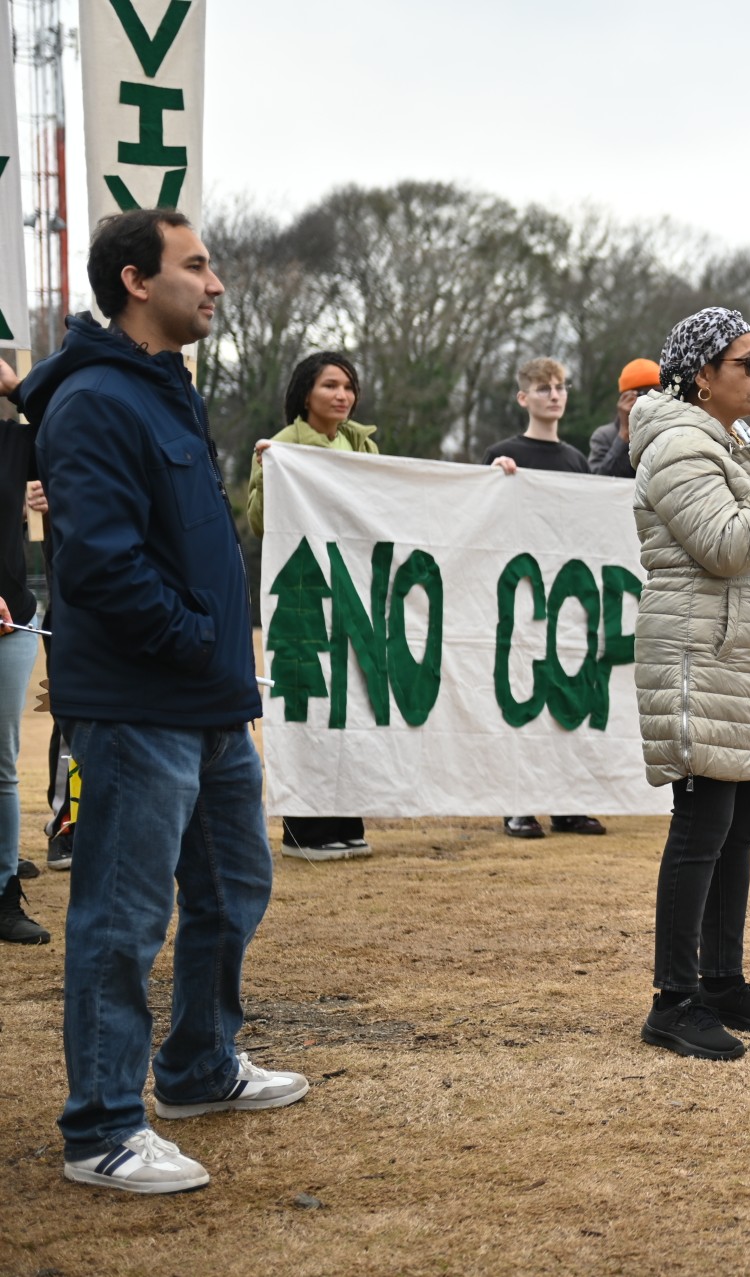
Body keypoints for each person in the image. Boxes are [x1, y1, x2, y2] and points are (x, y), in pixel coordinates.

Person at [16, 208, 307, 1194]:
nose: (216, 282)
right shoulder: (97, 400)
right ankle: (101, 1126)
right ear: (138, 281)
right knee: (122, 915)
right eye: (198, 264)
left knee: (232, 891)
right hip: (142, 705)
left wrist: (221, 667)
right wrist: (191, 641)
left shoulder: (167, 392)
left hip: (209, 704)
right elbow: (99, 563)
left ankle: (197, 1067)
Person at [627, 306, 750, 1059]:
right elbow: (726, 545)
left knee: (739, 823)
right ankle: (672, 1000)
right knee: (701, 828)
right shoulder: (680, 443)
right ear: (702, 374)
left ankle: (721, 980)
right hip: (700, 656)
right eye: (745, 363)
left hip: (739, 658)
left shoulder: (729, 437)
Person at [247, 352, 380, 860]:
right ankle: (304, 828)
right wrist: (266, 472)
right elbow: (261, 525)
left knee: (353, 706)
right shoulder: (281, 448)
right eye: (330, 386)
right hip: (305, 596)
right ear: (306, 394)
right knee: (310, 704)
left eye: (348, 386)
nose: (342, 395)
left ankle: (347, 819)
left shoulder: (363, 447)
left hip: (355, 594)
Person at [484, 357, 606, 840]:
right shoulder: (502, 452)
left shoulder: (577, 460)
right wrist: (494, 478)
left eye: (559, 387)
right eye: (542, 388)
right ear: (523, 398)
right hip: (519, 597)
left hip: (567, 598)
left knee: (567, 698)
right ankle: (518, 803)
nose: (553, 395)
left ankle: (567, 803)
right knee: (521, 700)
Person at [0, 361, 48, 943]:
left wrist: (18, 388)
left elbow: (64, 433)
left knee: (3, 766)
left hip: (13, 620)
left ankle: (4, 888)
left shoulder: (14, 440)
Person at [588, 358, 660, 479]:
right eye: (645, 393)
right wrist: (624, 434)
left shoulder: (667, 431)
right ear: (625, 398)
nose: (653, 399)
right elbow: (598, 483)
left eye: (659, 392)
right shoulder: (604, 437)